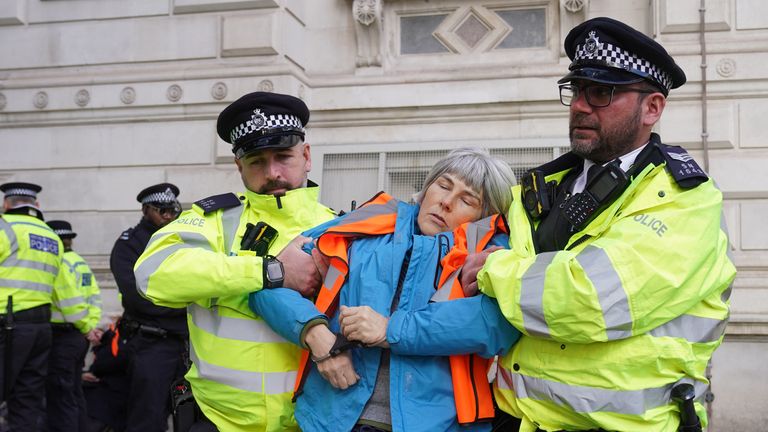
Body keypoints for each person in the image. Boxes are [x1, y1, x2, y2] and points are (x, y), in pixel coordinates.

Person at [457, 17, 736, 432]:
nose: (580, 105)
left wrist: (496, 271)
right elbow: (454, 259)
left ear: (653, 107)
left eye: (602, 92)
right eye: (577, 90)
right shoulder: (540, 188)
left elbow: (592, 300)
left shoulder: (685, 199)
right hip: (517, 419)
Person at [251, 148, 522, 432]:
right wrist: (316, 336)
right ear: (428, 186)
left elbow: (494, 324)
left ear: (485, 216)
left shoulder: (493, 256)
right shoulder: (364, 226)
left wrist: (390, 329)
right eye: (443, 185)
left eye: (467, 200)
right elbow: (265, 283)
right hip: (330, 420)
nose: (446, 202)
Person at [133, 91, 337, 431]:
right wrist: (269, 271)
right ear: (239, 165)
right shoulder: (213, 220)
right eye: (257, 161)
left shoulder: (339, 227)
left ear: (306, 155)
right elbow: (152, 275)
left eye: (283, 156)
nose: (272, 172)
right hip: (219, 420)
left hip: (311, 422)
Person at [109, 183, 187, 432]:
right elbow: (137, 297)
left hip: (187, 343)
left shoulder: (183, 240)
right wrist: (185, 304)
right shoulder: (130, 244)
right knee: (148, 418)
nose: (168, 217)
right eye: (161, 211)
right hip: (151, 342)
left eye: (173, 211)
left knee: (188, 416)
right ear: (145, 210)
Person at [0, 182, 64, 431]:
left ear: (7, 204)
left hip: (8, 324)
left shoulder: (5, 228)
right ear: (35, 204)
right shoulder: (51, 236)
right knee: (27, 402)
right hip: (40, 328)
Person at [45, 220, 102, 432]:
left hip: (64, 335)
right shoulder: (80, 262)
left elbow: (69, 301)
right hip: (78, 337)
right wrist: (90, 327)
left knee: (61, 396)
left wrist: (86, 327)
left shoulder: (58, 262)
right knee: (74, 392)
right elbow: (95, 298)